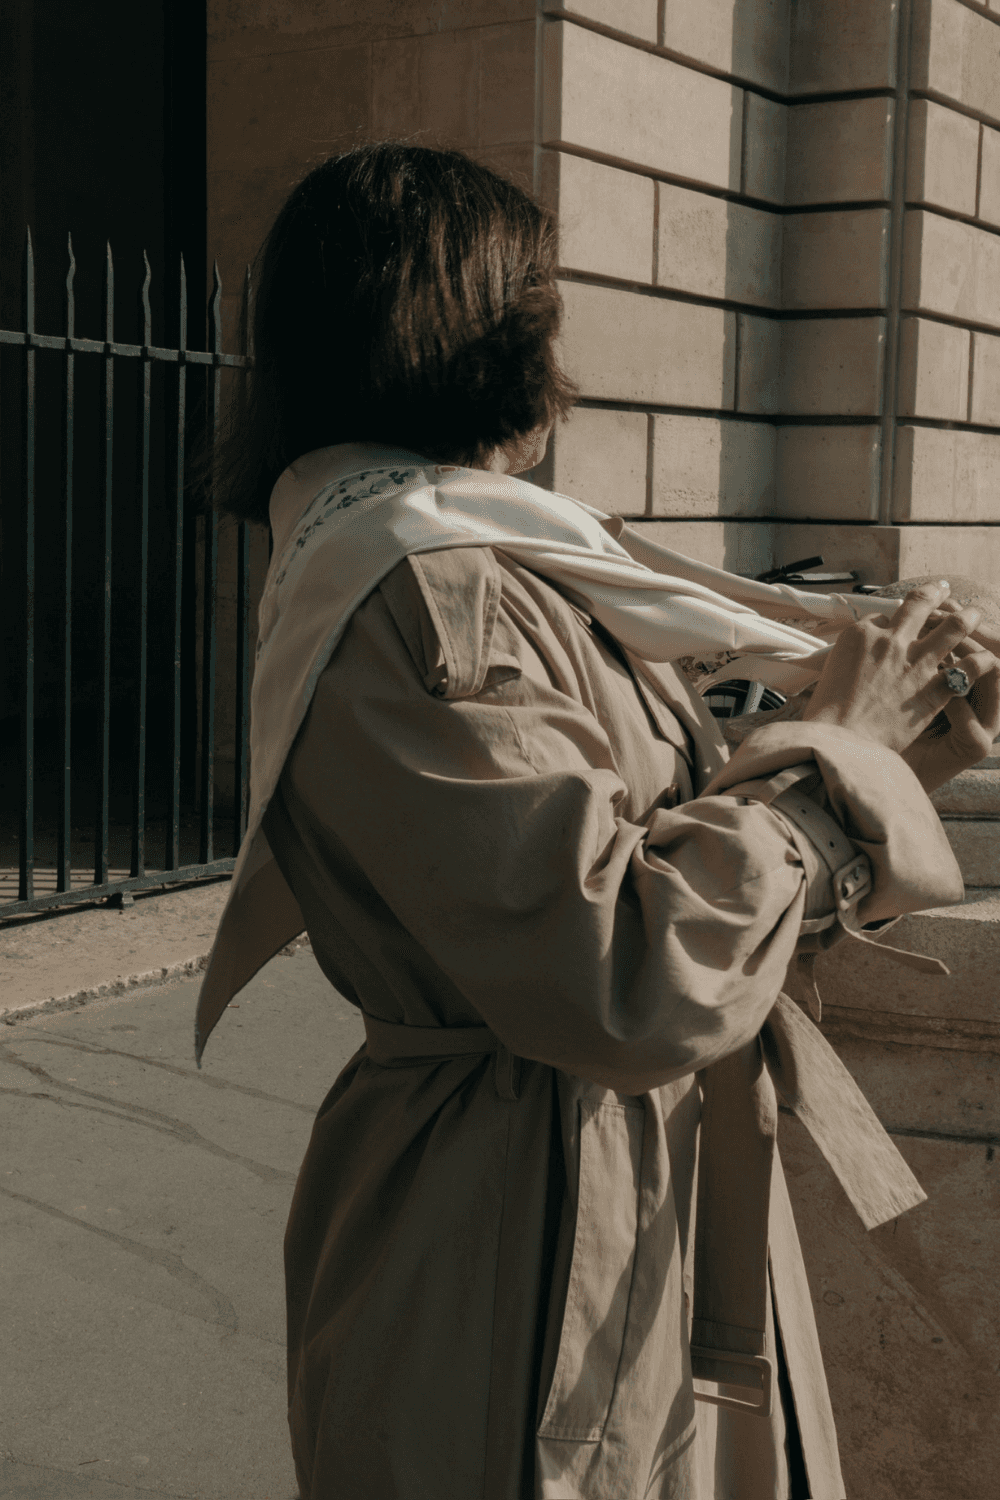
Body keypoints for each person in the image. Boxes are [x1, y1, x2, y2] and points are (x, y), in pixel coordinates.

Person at [194, 143, 1000, 1500]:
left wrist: (880, 735)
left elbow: (630, 844)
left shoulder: (492, 560)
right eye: (542, 299)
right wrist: (838, 765)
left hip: (612, 1186)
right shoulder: (427, 586)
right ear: (486, 324)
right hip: (522, 1227)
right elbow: (618, 968)